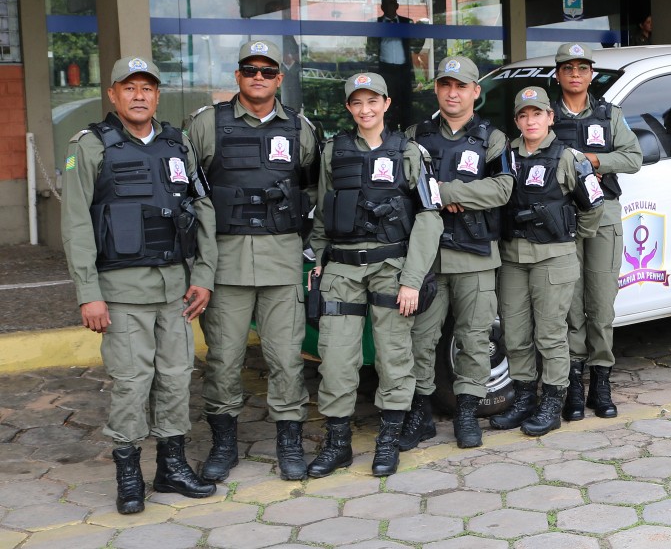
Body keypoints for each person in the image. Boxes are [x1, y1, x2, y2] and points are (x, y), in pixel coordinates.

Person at [61, 56, 218, 514]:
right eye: (129, 88)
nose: (138, 96)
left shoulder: (177, 144)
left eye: (147, 88)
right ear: (112, 94)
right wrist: (88, 293)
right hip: (121, 290)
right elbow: (75, 224)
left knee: (174, 379)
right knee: (132, 383)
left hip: (176, 289)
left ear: (157, 95)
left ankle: (171, 468)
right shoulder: (89, 146)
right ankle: (129, 476)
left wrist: (203, 275)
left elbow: (202, 209)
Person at [186, 40, 317, 484]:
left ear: (280, 78)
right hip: (227, 265)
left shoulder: (300, 128)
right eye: (250, 69)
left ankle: (289, 443)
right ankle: (224, 444)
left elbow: (313, 189)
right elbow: (190, 193)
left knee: (285, 358)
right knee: (223, 359)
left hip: (282, 264)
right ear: (237, 76)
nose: (258, 76)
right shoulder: (206, 125)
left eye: (267, 70)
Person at [307, 72, 443, 478]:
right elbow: (321, 209)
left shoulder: (409, 152)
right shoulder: (333, 151)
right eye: (356, 103)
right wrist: (317, 260)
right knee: (335, 358)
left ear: (386, 104)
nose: (365, 109)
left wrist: (412, 279)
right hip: (343, 267)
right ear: (349, 108)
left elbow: (429, 218)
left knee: (394, 357)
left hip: (391, 268)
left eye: (372, 101)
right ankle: (338, 444)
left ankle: (388, 440)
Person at [402, 56, 513, 450]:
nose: (453, 92)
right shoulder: (414, 135)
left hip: (476, 255)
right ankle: (420, 415)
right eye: (446, 85)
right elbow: (404, 188)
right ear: (437, 88)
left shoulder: (491, 137)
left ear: (475, 92)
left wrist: (445, 192)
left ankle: (467, 412)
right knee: (421, 338)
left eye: (462, 86)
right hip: (428, 258)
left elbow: (502, 190)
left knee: (474, 337)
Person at [489, 86, 604, 436]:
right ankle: (524, 398)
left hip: (553, 257)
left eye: (537, 113)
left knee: (552, 334)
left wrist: (568, 238)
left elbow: (594, 205)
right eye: (523, 115)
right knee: (516, 333)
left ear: (550, 117)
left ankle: (552, 402)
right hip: (512, 257)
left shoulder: (568, 157)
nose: (530, 120)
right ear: (516, 120)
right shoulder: (504, 155)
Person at [551, 42, 642, 421]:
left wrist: (593, 159)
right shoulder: (544, 113)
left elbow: (633, 157)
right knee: (570, 304)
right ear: (558, 75)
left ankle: (601, 381)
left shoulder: (609, 115)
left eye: (582, 68)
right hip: (559, 216)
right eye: (568, 68)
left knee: (601, 303)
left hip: (603, 213)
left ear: (591, 74)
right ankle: (573, 384)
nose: (575, 74)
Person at [367, 0, 416, 131]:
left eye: (392, 3)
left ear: (397, 6)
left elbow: (417, 45)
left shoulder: (407, 22)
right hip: (385, 70)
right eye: (387, 4)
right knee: (387, 104)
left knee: (406, 104)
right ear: (382, 7)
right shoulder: (375, 23)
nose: (390, 6)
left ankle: (408, 134)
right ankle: (389, 134)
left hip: (404, 70)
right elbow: (370, 49)